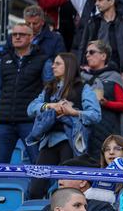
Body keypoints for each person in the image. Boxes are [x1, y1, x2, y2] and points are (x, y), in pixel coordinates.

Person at [26, 52, 102, 200]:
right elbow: (30, 109)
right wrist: (50, 106)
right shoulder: (49, 89)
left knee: (68, 187)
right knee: (35, 189)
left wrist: (73, 112)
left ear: (69, 66)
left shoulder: (83, 88)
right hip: (47, 142)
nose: (53, 66)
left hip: (70, 142)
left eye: (58, 63)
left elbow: (95, 115)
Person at [0, 22, 52, 164]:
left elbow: (49, 89)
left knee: (38, 165)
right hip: (5, 122)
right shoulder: (3, 60)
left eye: (22, 34)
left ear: (31, 37)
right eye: (14, 34)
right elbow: (0, 89)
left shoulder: (43, 60)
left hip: (31, 122)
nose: (17, 37)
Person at [35, 157, 118, 211]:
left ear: (82, 182)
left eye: (65, 175)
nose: (59, 180)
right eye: (59, 175)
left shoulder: (101, 207)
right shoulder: (49, 208)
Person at [81, 40, 123, 161]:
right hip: (86, 129)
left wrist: (107, 103)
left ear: (103, 56)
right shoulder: (82, 78)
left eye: (91, 52)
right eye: (86, 52)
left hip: (108, 128)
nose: (87, 55)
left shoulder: (114, 77)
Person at [78, 0, 123, 87]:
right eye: (96, 0)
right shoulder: (92, 22)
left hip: (117, 74)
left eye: (100, 0)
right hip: (92, 73)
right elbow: (83, 46)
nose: (96, 3)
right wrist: (81, 65)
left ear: (111, 1)